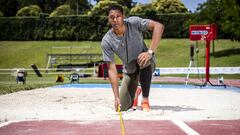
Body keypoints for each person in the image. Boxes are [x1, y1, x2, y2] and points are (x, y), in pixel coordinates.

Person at [101, 5, 164, 112]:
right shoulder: (107, 41)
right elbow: (111, 69)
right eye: (112, 17)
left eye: (118, 16)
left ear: (123, 17)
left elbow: (159, 26)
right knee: (122, 108)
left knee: (142, 58)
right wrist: (116, 97)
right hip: (130, 70)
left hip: (147, 63)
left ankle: (145, 100)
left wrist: (149, 52)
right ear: (108, 19)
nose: (115, 20)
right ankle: (136, 90)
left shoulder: (133, 23)